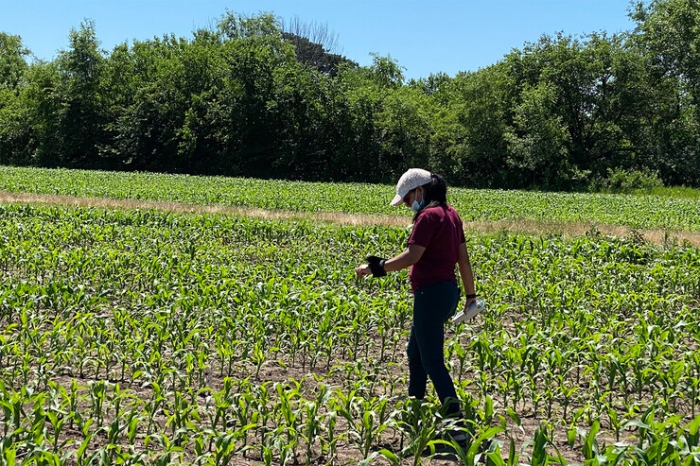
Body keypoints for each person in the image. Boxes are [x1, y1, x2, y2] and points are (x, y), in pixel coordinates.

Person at [356, 168, 477, 425]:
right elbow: (464, 260)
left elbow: (412, 256)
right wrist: (470, 295)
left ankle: (457, 421)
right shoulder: (451, 215)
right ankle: (416, 408)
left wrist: (375, 268)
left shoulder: (428, 217)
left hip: (430, 294)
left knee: (432, 360)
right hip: (447, 293)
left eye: (408, 199)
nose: (408, 205)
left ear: (420, 191)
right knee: (415, 352)